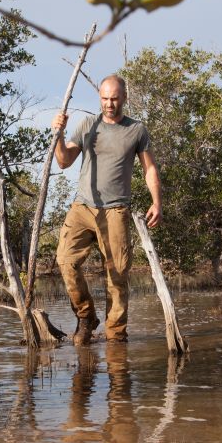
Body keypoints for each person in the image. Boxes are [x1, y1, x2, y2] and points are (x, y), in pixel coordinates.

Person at [52, 74, 162, 345]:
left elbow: (149, 169)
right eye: (104, 98)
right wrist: (59, 134)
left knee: (117, 276)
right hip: (82, 207)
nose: (109, 104)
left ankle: (115, 338)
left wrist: (156, 201)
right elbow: (64, 161)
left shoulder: (137, 130)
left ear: (124, 97)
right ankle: (86, 316)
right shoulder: (89, 124)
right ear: (99, 98)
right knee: (65, 261)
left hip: (115, 211)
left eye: (114, 98)